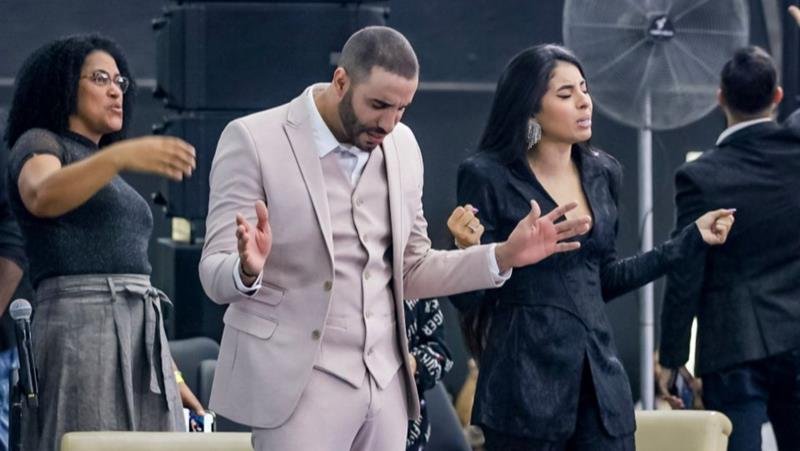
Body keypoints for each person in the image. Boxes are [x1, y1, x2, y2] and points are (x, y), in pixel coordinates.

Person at [199, 26, 592, 451]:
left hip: (384, 385)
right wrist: (246, 270)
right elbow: (213, 274)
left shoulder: (403, 145)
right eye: (379, 105)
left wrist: (503, 255)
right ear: (341, 81)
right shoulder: (254, 139)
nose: (388, 123)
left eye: (402, 108)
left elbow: (414, 268)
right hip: (295, 385)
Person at [450, 44, 734, 451]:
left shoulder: (603, 172)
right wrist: (467, 250)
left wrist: (689, 240)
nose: (585, 102)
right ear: (531, 109)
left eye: (584, 89)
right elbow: (469, 300)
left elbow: (602, 280)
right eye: (566, 94)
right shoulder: (487, 175)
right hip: (523, 390)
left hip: (600, 385)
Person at [3, 34, 203, 450]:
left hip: (139, 335)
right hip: (81, 329)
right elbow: (40, 194)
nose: (116, 90)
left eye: (120, 81)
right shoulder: (40, 142)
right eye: (100, 78)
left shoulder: (100, 168)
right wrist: (119, 156)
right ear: (63, 85)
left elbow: (133, 280)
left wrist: (170, 371)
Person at [658, 44, 800, 451]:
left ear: (719, 97)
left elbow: (685, 269)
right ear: (777, 96)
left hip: (732, 345)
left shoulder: (700, 176)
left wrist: (672, 357)